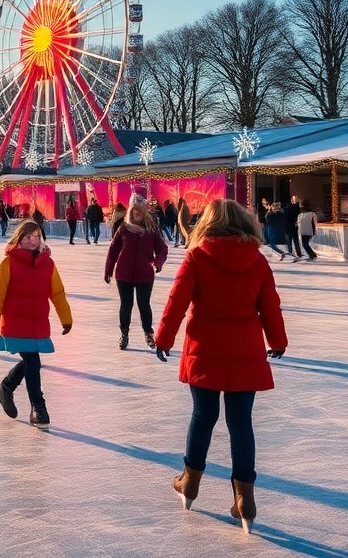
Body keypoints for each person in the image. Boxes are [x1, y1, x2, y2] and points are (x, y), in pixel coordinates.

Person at [153, 199, 287, 533]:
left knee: (203, 416)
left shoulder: (197, 256)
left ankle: (191, 481)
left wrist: (164, 338)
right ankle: (245, 499)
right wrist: (278, 341)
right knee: (241, 423)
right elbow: (271, 305)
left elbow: (177, 301)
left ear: (208, 224)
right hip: (245, 350)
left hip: (205, 348)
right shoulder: (256, 261)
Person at [0, 220, 73, 428]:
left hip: (38, 323)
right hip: (16, 323)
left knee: (31, 362)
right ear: (19, 239)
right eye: (28, 237)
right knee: (33, 362)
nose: (33, 241)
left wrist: (66, 318)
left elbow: (57, 293)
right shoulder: (8, 264)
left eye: (36, 237)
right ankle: (38, 406)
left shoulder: (48, 264)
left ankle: (5, 388)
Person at [105, 197, 168, 351]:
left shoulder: (151, 229)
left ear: (144, 212)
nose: (136, 213)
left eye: (139, 210)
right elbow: (113, 249)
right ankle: (124, 334)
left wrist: (157, 262)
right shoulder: (124, 228)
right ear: (131, 211)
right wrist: (108, 269)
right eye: (134, 209)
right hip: (124, 273)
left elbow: (162, 249)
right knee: (126, 304)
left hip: (144, 273)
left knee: (143, 303)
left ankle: (148, 333)